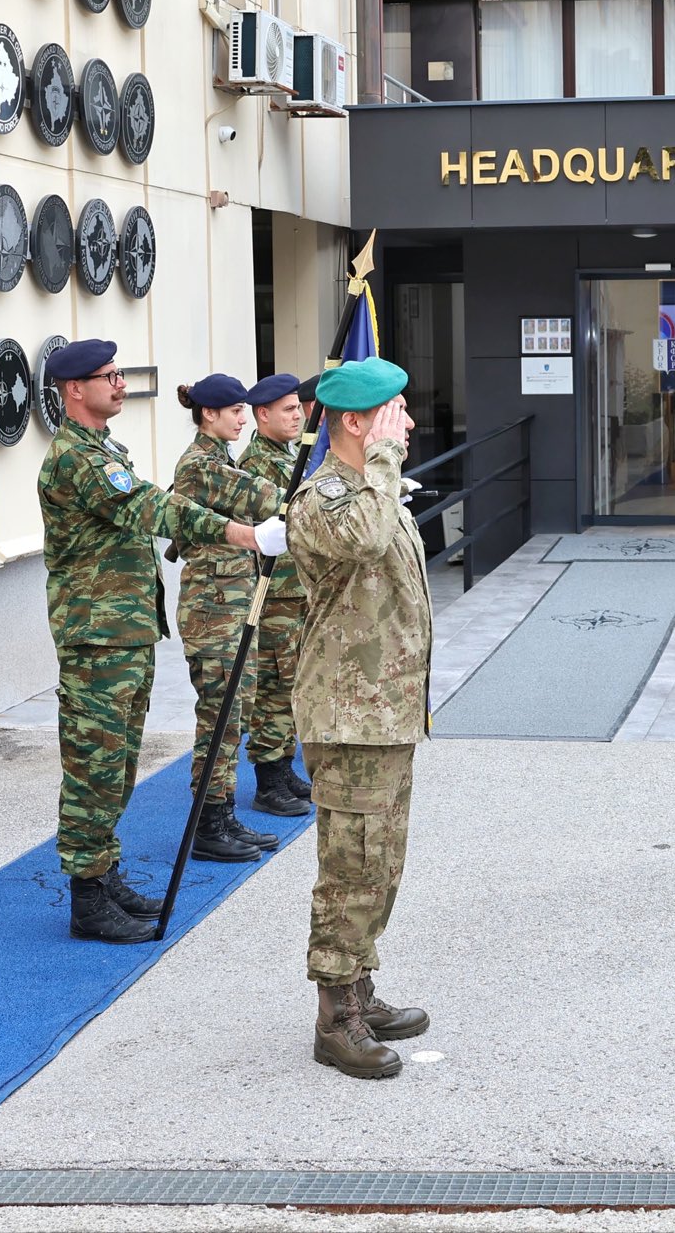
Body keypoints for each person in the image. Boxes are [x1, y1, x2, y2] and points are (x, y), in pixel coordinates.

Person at [36, 340, 273, 943]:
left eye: (119, 374)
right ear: (74, 390)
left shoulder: (103, 449)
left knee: (116, 766)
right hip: (97, 639)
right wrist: (244, 534)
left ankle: (104, 873)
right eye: (108, 376)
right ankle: (88, 898)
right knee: (93, 767)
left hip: (124, 634)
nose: (119, 383)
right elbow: (154, 509)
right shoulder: (77, 460)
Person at [288, 358, 434, 1079]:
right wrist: (382, 457)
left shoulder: (373, 490)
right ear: (355, 421)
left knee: (381, 861)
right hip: (348, 716)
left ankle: (360, 985)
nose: (406, 424)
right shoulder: (324, 498)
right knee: (350, 866)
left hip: (384, 711)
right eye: (394, 411)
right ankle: (334, 1016)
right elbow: (370, 541)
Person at [169, 375, 289, 862]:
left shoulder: (217, 460)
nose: (243, 419)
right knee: (218, 719)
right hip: (212, 611)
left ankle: (221, 815)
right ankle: (209, 826)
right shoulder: (200, 466)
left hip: (232, 606)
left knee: (232, 715)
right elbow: (263, 495)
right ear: (208, 415)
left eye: (245, 411)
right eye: (235, 411)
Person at [238, 372, 316, 817]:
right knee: (272, 686)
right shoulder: (256, 466)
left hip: (296, 591)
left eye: (296, 407)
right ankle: (268, 779)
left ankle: (284, 766)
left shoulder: (287, 456)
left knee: (291, 685)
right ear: (261, 415)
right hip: (273, 597)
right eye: (286, 409)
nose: (296, 415)